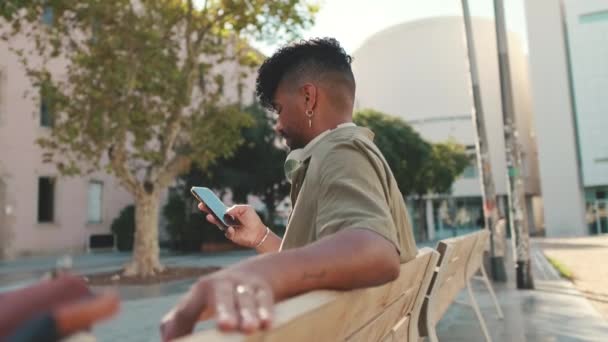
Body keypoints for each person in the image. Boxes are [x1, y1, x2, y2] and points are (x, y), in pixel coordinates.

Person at [160, 38, 417, 341]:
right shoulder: (345, 151)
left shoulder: (341, 153)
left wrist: (249, 278)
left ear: (308, 98)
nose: (278, 125)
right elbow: (333, 258)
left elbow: (375, 253)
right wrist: (261, 237)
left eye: (279, 109)